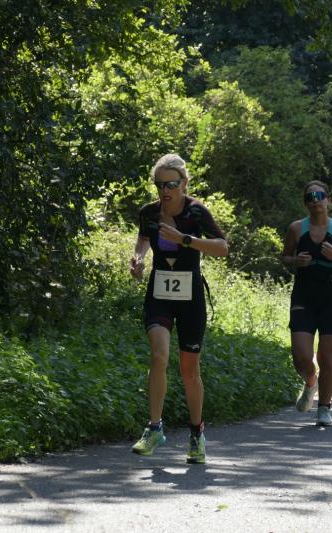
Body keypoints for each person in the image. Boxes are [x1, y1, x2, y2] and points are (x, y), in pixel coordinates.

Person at [129, 153, 228, 464]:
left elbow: (222, 248)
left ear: (184, 183)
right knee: (158, 355)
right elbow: (143, 239)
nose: (165, 190)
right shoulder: (149, 212)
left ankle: (197, 433)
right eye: (159, 185)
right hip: (159, 293)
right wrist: (139, 258)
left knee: (189, 371)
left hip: (190, 298)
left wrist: (186, 240)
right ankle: (154, 428)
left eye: (171, 184)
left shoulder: (196, 211)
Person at [281, 180, 332, 427]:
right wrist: (295, 261)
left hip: (331, 297)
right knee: (300, 355)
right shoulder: (296, 228)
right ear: (305, 203)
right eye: (310, 197)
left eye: (320, 196)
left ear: (328, 200)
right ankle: (310, 382)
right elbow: (285, 257)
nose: (316, 200)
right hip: (304, 294)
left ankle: (324, 408)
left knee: (327, 358)